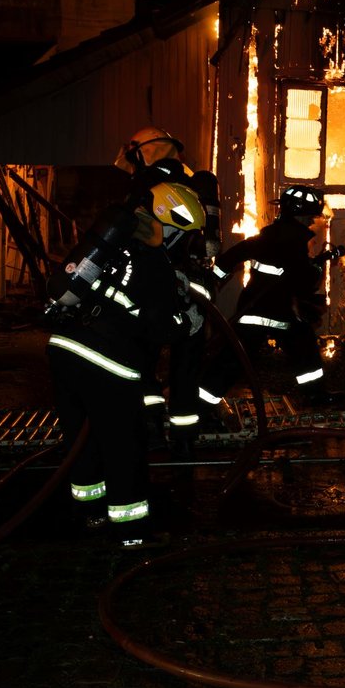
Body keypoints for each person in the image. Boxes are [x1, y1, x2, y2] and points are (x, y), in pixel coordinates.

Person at [45, 181, 206, 549]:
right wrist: (189, 322)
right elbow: (160, 327)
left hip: (64, 349)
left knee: (83, 443)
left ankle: (90, 516)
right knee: (123, 448)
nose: (185, 244)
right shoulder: (154, 261)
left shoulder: (114, 245)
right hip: (108, 363)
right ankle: (132, 535)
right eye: (184, 235)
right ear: (169, 227)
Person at [114, 126, 223, 457]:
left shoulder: (144, 185)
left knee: (140, 361)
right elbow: (210, 245)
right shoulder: (197, 184)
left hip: (151, 288)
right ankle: (185, 440)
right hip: (193, 291)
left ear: (143, 152)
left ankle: (151, 429)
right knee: (186, 367)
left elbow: (124, 234)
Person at [208, 184, 337, 407]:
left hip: (259, 308)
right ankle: (315, 395)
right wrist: (316, 269)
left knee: (235, 360)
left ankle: (203, 402)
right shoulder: (294, 239)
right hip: (274, 310)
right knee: (300, 349)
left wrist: (211, 280)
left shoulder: (269, 235)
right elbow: (304, 280)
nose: (311, 221)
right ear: (297, 214)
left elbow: (232, 256)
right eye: (309, 216)